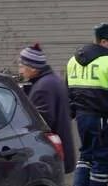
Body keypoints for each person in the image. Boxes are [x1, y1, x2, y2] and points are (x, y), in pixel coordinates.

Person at [66, 23, 108, 186]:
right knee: (102, 160)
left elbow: (69, 90)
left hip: (82, 117)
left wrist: (72, 112)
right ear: (104, 41)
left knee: (86, 155)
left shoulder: (72, 60)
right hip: (103, 117)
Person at [19, 43, 76, 175]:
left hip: (49, 156)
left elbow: (41, 124)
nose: (20, 70)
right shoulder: (52, 80)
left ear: (33, 68)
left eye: (22, 66)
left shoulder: (43, 88)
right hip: (59, 151)